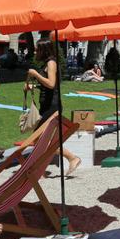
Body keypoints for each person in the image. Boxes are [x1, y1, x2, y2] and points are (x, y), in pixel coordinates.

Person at [24, 39, 80, 176]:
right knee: (40, 139)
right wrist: (33, 86)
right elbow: (46, 87)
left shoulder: (51, 62)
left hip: (52, 107)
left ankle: (72, 158)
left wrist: (35, 74)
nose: (35, 52)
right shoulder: (46, 63)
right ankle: (40, 169)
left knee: (39, 139)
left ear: (44, 50)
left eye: (37, 49)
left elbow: (51, 84)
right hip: (47, 105)